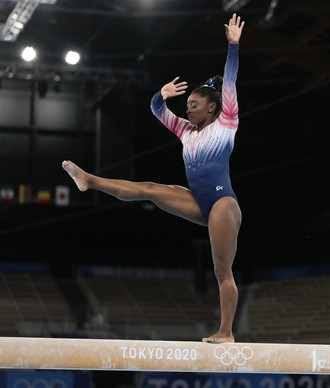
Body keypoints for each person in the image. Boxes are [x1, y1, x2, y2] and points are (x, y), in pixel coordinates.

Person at [62, 13, 245, 344]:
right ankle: (89, 179)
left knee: (222, 271)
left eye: (192, 105)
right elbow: (157, 110)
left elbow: (229, 81)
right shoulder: (186, 132)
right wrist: (161, 95)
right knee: (148, 189)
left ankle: (226, 331)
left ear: (212, 108)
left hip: (223, 203)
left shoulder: (226, 122)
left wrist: (232, 45)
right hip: (199, 201)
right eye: (186, 104)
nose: (187, 110)